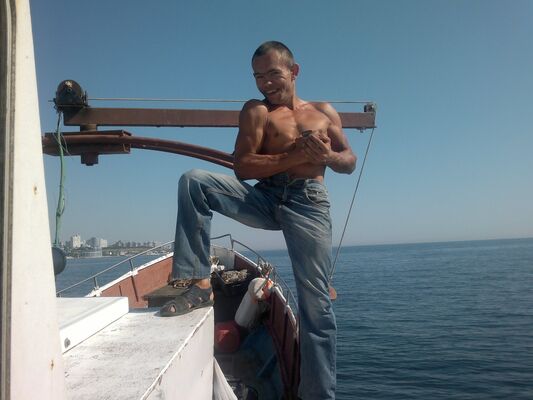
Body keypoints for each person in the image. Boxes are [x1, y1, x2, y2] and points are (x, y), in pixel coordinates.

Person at [160, 41, 356, 400]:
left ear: (294, 72)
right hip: (265, 196)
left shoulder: (323, 112)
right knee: (193, 181)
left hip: (309, 202)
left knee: (316, 306)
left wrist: (327, 155)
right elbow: (244, 166)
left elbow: (349, 160)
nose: (265, 83)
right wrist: (293, 155)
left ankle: (318, 395)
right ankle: (199, 284)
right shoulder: (257, 111)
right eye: (258, 76)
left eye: (273, 74)